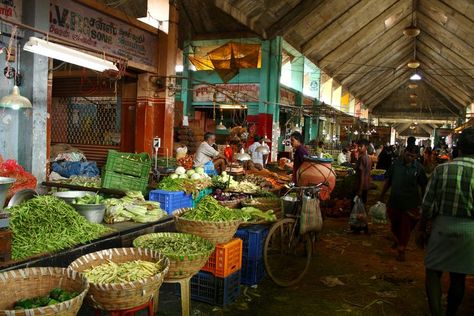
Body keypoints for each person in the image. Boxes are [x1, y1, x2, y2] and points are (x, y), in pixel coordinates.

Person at [416, 127, 474, 316]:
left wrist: (421, 229)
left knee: (433, 271)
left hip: (442, 228)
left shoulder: (442, 169)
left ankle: (436, 313)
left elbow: (427, 204)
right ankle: (450, 313)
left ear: (458, 148)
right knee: (459, 277)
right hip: (469, 232)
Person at [380, 145, 428, 261]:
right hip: (394, 202)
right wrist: (382, 195)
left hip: (410, 203)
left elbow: (423, 185)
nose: (410, 158)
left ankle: (402, 248)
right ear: (404, 153)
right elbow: (389, 181)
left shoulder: (419, 168)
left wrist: (423, 201)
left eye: (412, 156)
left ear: (416, 156)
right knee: (394, 225)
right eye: (408, 155)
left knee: (406, 227)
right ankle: (398, 239)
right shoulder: (395, 165)